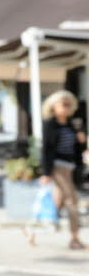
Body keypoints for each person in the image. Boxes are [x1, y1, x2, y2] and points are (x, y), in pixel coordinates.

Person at [39, 90, 86, 250]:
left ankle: (32, 230)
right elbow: (46, 149)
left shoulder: (72, 124)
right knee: (72, 200)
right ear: (53, 106)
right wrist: (46, 172)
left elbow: (78, 148)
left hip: (71, 166)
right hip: (58, 167)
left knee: (55, 204)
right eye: (62, 104)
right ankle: (75, 239)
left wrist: (82, 141)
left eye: (68, 104)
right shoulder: (49, 124)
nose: (66, 107)